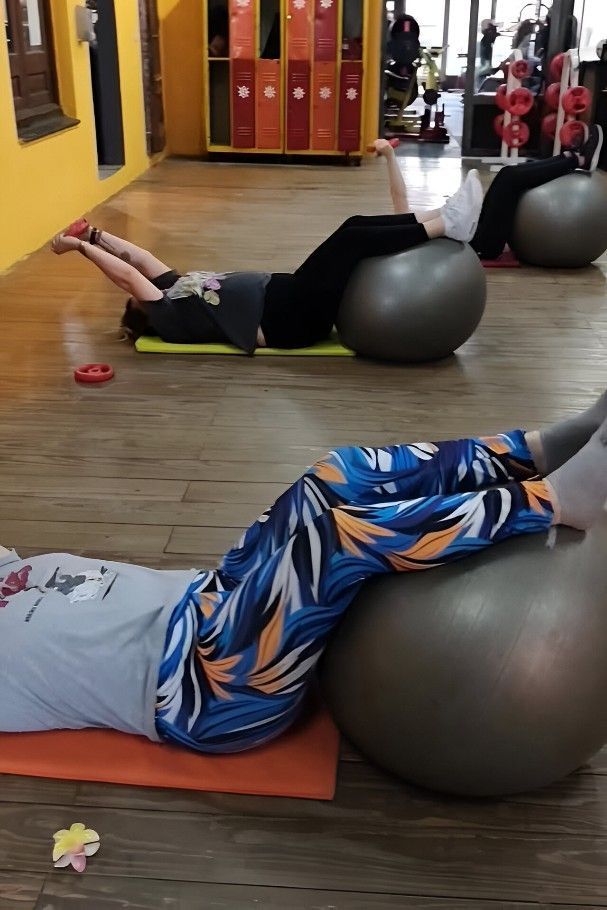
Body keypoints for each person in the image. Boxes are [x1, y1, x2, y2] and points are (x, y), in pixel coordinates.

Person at [2, 396, 607, 750]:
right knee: (333, 542)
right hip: (201, 691)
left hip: (209, 597)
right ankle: (556, 499)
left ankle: (538, 448)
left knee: (333, 474)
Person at [50, 165, 484, 354]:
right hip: (288, 322)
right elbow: (127, 275)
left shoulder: (173, 290)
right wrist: (78, 250)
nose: (141, 291)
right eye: (136, 298)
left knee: (352, 227)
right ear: (140, 309)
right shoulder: (168, 317)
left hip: (286, 294)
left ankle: (441, 217)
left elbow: (137, 258)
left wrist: (93, 233)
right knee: (352, 245)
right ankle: (447, 225)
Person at [375, 125, 604, 261]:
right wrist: (389, 156)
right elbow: (400, 199)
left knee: (506, 175)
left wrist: (389, 156)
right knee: (510, 180)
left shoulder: (400, 227)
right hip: (479, 242)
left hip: (472, 231)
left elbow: (399, 199)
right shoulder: (399, 238)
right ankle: (576, 159)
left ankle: (570, 158)